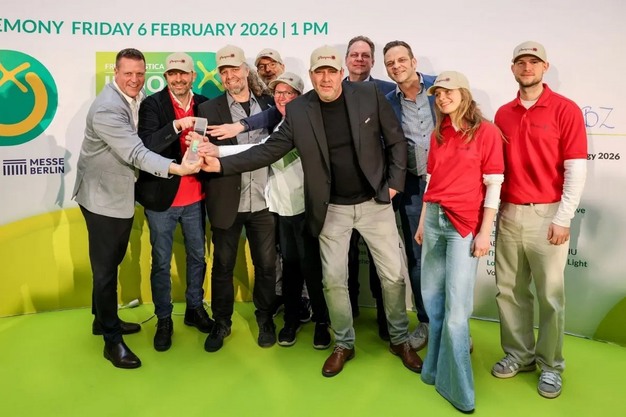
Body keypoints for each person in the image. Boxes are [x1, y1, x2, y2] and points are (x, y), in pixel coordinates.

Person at [201, 45, 423, 377]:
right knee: (332, 280)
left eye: (331, 71)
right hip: (331, 207)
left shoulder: (368, 95)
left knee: (393, 276)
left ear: (341, 73)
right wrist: (220, 164)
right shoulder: (300, 110)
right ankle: (344, 343)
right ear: (311, 75)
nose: (326, 78)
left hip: (374, 203)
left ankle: (400, 339)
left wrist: (394, 184)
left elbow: (395, 141)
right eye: (319, 72)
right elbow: (269, 150)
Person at [72, 48, 201, 369]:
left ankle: (102, 320)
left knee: (111, 263)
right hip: (102, 198)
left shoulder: (134, 98)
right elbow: (136, 152)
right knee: (105, 271)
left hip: (118, 195)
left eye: (140, 73)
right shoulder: (107, 108)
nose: (134, 79)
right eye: (128, 73)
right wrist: (177, 168)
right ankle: (112, 342)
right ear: (115, 73)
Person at [194, 72, 331, 349]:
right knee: (289, 268)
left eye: (289, 93)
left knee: (309, 269)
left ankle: (320, 323)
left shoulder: (305, 123)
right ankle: (289, 320)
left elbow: (262, 149)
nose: (283, 98)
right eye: (278, 93)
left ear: (300, 97)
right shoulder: (277, 119)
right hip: (280, 208)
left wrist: (220, 153)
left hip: (304, 208)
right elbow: (262, 140)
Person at [492, 41, 587, 399]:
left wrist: (563, 217)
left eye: (534, 61)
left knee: (550, 296)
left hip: (548, 214)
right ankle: (519, 355)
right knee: (509, 292)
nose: (527, 67)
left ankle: (550, 365)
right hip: (508, 212)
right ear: (512, 68)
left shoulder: (565, 109)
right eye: (521, 62)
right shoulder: (503, 113)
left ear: (545, 67)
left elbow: (575, 169)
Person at [415, 71, 504, 413]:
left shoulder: (487, 131)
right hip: (434, 219)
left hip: (463, 224)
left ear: (464, 93)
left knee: (456, 310)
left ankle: (459, 391)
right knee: (433, 300)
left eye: (448, 91)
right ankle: (434, 370)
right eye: (438, 94)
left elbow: (494, 184)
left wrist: (485, 231)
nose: (442, 98)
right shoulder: (439, 133)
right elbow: (432, 180)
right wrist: (422, 222)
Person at [197, 45, 277, 352]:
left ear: (246, 70)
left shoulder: (270, 104)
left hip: (264, 201)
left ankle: (265, 318)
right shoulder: (208, 109)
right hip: (226, 201)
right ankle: (221, 322)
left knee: (266, 266)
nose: (230, 76)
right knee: (223, 266)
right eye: (224, 71)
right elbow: (200, 152)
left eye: (234, 69)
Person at [135, 52, 213, 352]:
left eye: (183, 74)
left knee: (197, 257)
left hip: (197, 198)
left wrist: (207, 145)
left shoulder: (205, 103)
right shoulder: (152, 104)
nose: (178, 79)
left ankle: (194, 308)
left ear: (193, 76)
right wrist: (179, 126)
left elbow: (215, 144)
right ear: (166, 77)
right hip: (161, 200)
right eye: (172, 74)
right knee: (161, 262)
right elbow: (147, 145)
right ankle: (164, 318)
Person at [383, 40, 435, 351]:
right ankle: (426, 321)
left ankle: (453, 325)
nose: (397, 66)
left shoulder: (441, 88)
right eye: (390, 63)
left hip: (450, 186)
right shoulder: (387, 101)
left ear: (414, 62)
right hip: (413, 188)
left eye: (402, 60)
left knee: (452, 259)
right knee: (417, 258)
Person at [343, 35, 395, 336]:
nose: (359, 59)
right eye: (354, 54)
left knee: (381, 261)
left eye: (365, 55)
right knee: (345, 260)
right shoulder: (332, 90)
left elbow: (396, 139)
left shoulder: (386, 91)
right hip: (341, 194)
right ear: (346, 59)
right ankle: (348, 315)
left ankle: (386, 320)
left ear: (373, 61)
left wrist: (392, 184)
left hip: (378, 192)